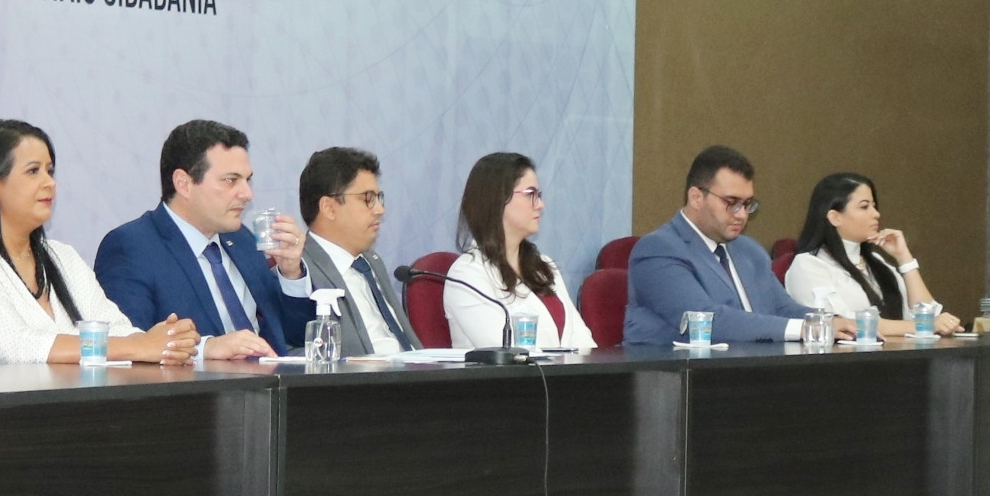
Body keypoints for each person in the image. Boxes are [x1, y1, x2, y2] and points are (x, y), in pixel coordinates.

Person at [0, 119, 201, 366]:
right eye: (33, 171)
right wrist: (138, 346)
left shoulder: (62, 256)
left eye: (50, 171)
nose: (50, 183)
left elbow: (114, 327)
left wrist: (166, 342)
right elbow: (17, 348)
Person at [93, 119, 310, 359]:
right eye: (231, 180)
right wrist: (206, 348)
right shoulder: (131, 247)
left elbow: (296, 337)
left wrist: (291, 274)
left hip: (272, 380)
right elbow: (126, 347)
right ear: (184, 184)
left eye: (247, 180)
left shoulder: (243, 240)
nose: (247, 194)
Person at [623, 145, 845, 345]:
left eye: (747, 204)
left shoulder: (750, 250)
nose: (742, 215)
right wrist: (807, 328)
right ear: (696, 197)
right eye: (731, 203)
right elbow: (706, 320)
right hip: (681, 372)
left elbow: (782, 308)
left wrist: (833, 322)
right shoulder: (658, 249)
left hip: (752, 367)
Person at [442, 152, 594, 349]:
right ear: (497, 199)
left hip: (562, 369)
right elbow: (504, 351)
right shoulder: (466, 274)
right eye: (530, 194)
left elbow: (581, 338)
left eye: (539, 195)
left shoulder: (543, 266)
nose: (540, 205)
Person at [783, 172, 963, 333]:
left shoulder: (876, 261)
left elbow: (927, 313)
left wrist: (904, 258)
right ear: (835, 217)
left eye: (874, 206)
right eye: (864, 207)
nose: (876, 214)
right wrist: (925, 325)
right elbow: (847, 324)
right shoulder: (809, 265)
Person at [295, 146, 418, 355]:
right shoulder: (299, 272)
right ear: (329, 208)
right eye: (367, 199)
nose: (380, 210)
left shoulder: (370, 262)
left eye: (379, 198)